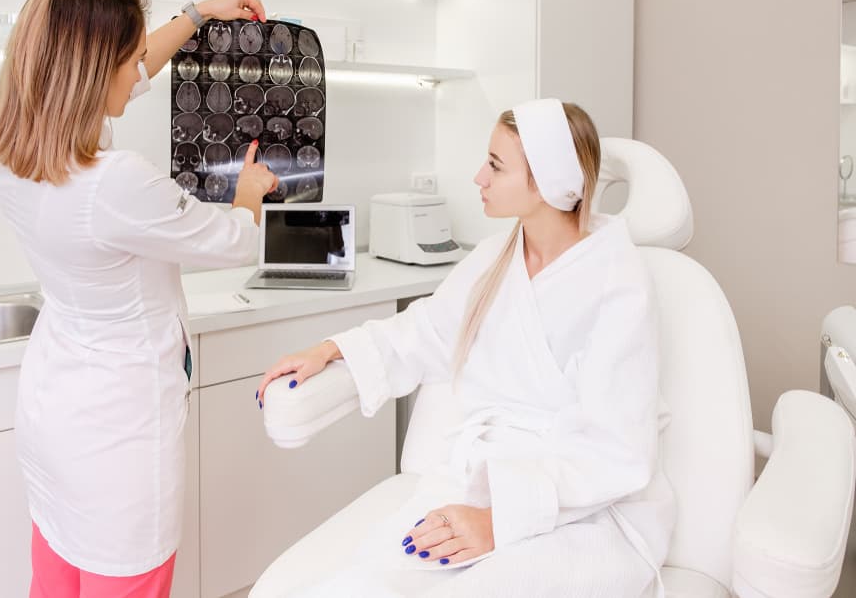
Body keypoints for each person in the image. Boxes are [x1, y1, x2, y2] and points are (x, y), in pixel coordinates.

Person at [257, 99, 675, 597]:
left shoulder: (618, 281)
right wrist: (331, 349)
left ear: (545, 181)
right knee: (366, 581)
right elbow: (425, 333)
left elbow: (617, 451)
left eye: (496, 166)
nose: (479, 177)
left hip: (586, 512)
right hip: (483, 479)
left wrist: (500, 522)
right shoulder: (493, 257)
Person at [0, 0, 277, 598]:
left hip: (55, 417)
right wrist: (248, 196)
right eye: (129, 55)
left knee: (57, 580)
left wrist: (199, 14)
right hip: (120, 440)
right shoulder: (115, 182)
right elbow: (230, 242)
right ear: (94, 71)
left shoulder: (15, 153)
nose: (140, 66)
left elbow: (135, 73)